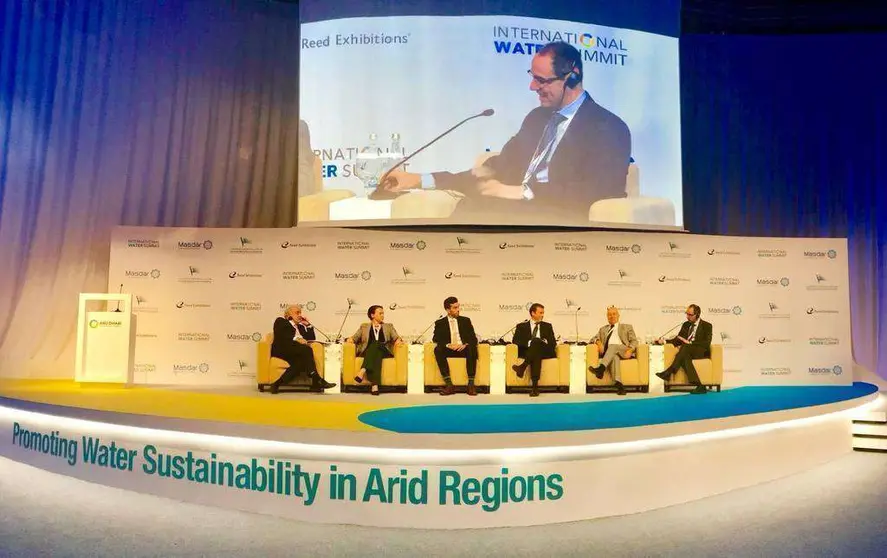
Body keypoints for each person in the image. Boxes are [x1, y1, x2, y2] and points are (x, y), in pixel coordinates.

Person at [379, 41, 631, 225]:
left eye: (542, 81)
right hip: (513, 212)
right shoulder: (536, 119)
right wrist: (421, 180)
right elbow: (496, 169)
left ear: (572, 78)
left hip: (558, 220)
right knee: (473, 204)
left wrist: (522, 192)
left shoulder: (608, 127)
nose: (533, 87)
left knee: (483, 211)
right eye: (533, 78)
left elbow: (601, 189)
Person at [269, 304, 336, 394]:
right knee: (306, 350)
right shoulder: (281, 321)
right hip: (283, 349)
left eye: (300, 312)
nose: (300, 315)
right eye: (297, 313)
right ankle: (316, 380)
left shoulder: (300, 327)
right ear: (289, 315)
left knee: (301, 362)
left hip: (296, 352)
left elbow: (311, 338)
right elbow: (282, 334)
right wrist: (297, 338)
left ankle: (276, 384)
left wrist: (308, 325)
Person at [655, 304, 712, 395]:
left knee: (685, 347)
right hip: (687, 351)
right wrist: (664, 341)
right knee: (684, 354)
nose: (687, 317)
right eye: (686, 314)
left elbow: (706, 343)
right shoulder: (686, 325)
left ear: (697, 315)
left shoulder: (707, 326)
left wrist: (690, 343)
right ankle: (700, 386)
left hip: (700, 351)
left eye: (690, 315)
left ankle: (669, 372)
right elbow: (678, 340)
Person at [346, 305, 403, 395]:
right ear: (372, 315)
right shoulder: (364, 327)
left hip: (385, 351)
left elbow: (396, 337)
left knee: (376, 343)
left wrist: (398, 340)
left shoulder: (388, 326)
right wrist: (350, 340)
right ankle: (374, 385)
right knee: (376, 354)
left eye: (383, 313)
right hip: (368, 352)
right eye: (380, 313)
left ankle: (363, 370)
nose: (382, 315)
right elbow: (354, 338)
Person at [432, 296, 479, 397]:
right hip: (449, 349)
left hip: (463, 348)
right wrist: (448, 345)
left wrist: (465, 344)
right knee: (438, 349)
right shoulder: (440, 323)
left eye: (458, 307)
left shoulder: (465, 320)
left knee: (472, 347)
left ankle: (471, 385)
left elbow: (473, 338)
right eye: (454, 308)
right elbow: (436, 338)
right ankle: (449, 385)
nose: (458, 310)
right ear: (448, 310)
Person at [588, 306, 638, 396]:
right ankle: (619, 385)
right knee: (614, 357)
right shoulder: (603, 329)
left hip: (624, 351)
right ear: (607, 317)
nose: (612, 316)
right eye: (609, 315)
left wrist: (630, 350)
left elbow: (634, 341)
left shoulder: (626, 327)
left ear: (618, 316)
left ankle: (601, 369)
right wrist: (598, 342)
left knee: (613, 346)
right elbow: (593, 338)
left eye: (614, 314)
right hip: (610, 354)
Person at [511, 303, 558, 397]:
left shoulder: (547, 326)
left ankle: (522, 367)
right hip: (528, 351)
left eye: (543, 313)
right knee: (535, 352)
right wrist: (530, 343)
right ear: (533, 313)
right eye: (540, 312)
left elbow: (553, 343)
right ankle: (535, 387)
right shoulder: (521, 326)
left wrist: (541, 342)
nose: (542, 315)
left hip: (545, 351)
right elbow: (515, 341)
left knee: (536, 342)